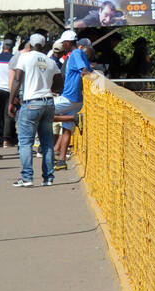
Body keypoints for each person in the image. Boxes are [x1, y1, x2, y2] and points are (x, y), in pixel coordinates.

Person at [9, 33, 58, 187]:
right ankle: (48, 178)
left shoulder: (24, 57)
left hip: (31, 103)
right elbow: (59, 85)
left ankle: (27, 177)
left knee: (25, 142)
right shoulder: (51, 62)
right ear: (44, 46)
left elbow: (17, 79)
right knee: (47, 142)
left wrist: (11, 101)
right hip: (48, 102)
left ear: (29, 45)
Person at [53, 30, 93, 171]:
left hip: (69, 97)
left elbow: (84, 71)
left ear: (68, 43)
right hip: (76, 99)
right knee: (66, 130)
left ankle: (74, 118)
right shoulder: (80, 53)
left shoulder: (75, 54)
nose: (63, 45)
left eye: (64, 43)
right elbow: (89, 70)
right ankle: (61, 160)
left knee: (42, 111)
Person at [0, 37, 16, 148]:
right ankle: (6, 140)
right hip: (9, 89)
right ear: (12, 48)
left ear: (3, 47)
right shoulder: (14, 59)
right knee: (8, 115)